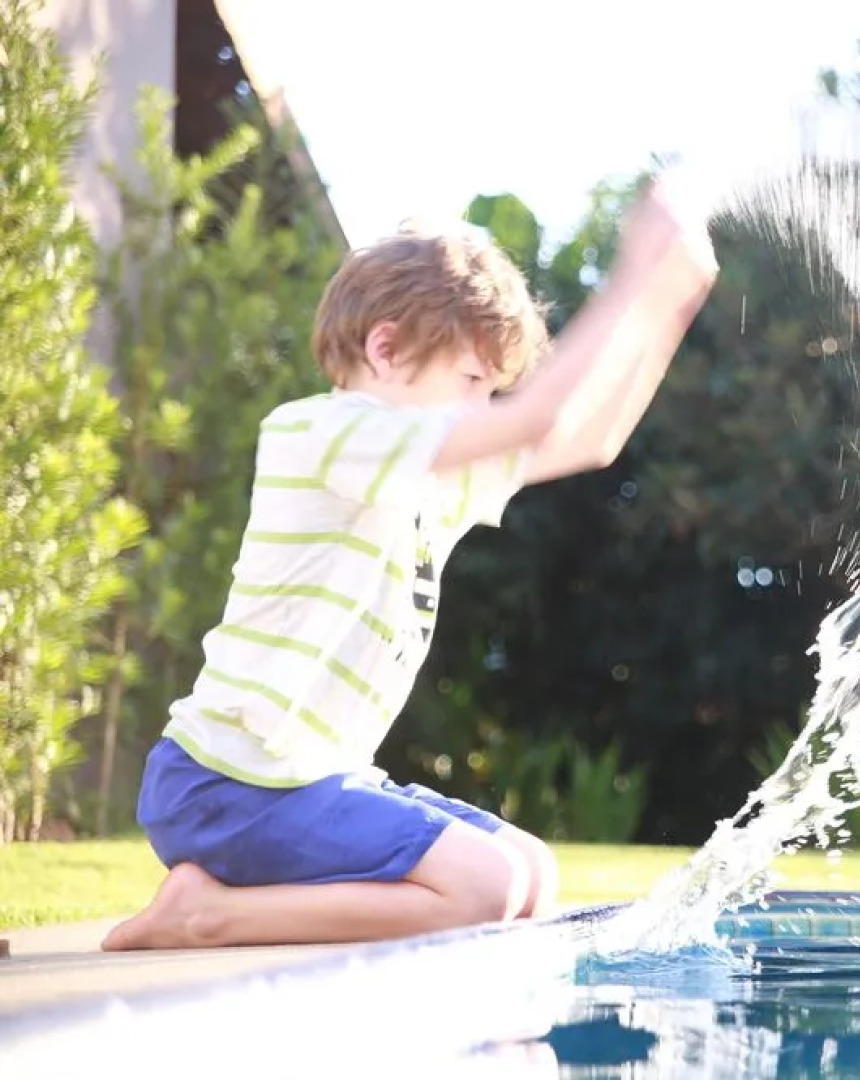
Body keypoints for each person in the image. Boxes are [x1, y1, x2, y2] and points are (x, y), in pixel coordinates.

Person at [102, 182, 717, 951]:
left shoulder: (425, 475)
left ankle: (216, 901)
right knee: (486, 886)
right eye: (470, 383)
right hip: (231, 783)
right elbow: (540, 416)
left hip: (314, 778)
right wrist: (633, 277)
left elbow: (589, 440)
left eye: (490, 391)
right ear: (386, 350)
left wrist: (670, 304)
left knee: (530, 877)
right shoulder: (321, 433)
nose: (482, 408)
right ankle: (208, 914)